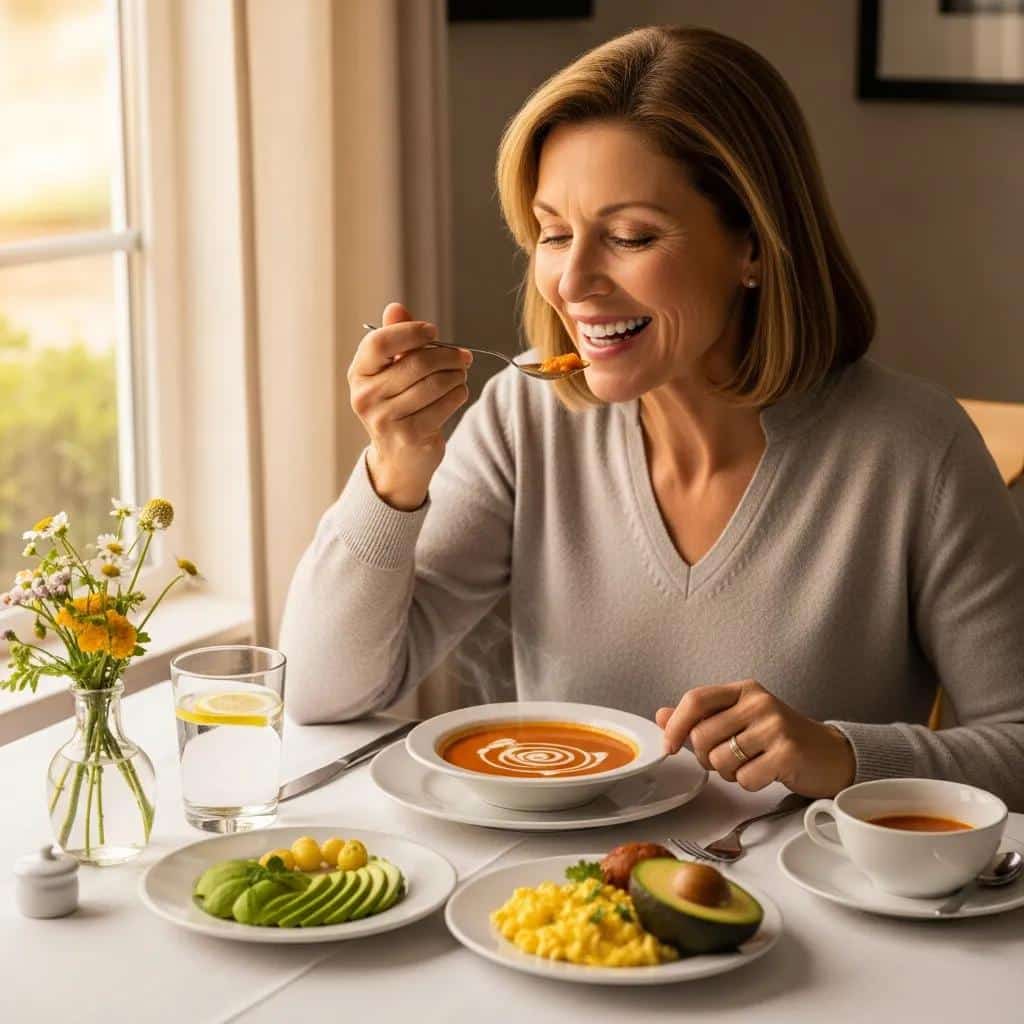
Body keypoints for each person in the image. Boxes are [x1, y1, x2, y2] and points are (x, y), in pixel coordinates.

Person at [279, 25, 1024, 808]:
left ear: (755, 248)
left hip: (806, 925)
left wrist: (841, 755)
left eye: (630, 236)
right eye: (553, 233)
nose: (571, 281)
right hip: (554, 916)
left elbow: (1016, 746)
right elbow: (324, 692)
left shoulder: (917, 450)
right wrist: (394, 471)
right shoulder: (524, 422)